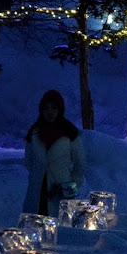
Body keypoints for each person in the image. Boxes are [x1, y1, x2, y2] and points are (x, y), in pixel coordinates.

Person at [22, 89, 86, 217]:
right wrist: (38, 176)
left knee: (59, 228)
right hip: (36, 192)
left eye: (54, 108)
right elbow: (29, 161)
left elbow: (80, 163)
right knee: (34, 226)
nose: (50, 112)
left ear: (60, 109)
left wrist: (70, 183)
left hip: (60, 191)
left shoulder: (70, 133)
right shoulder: (34, 133)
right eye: (46, 108)